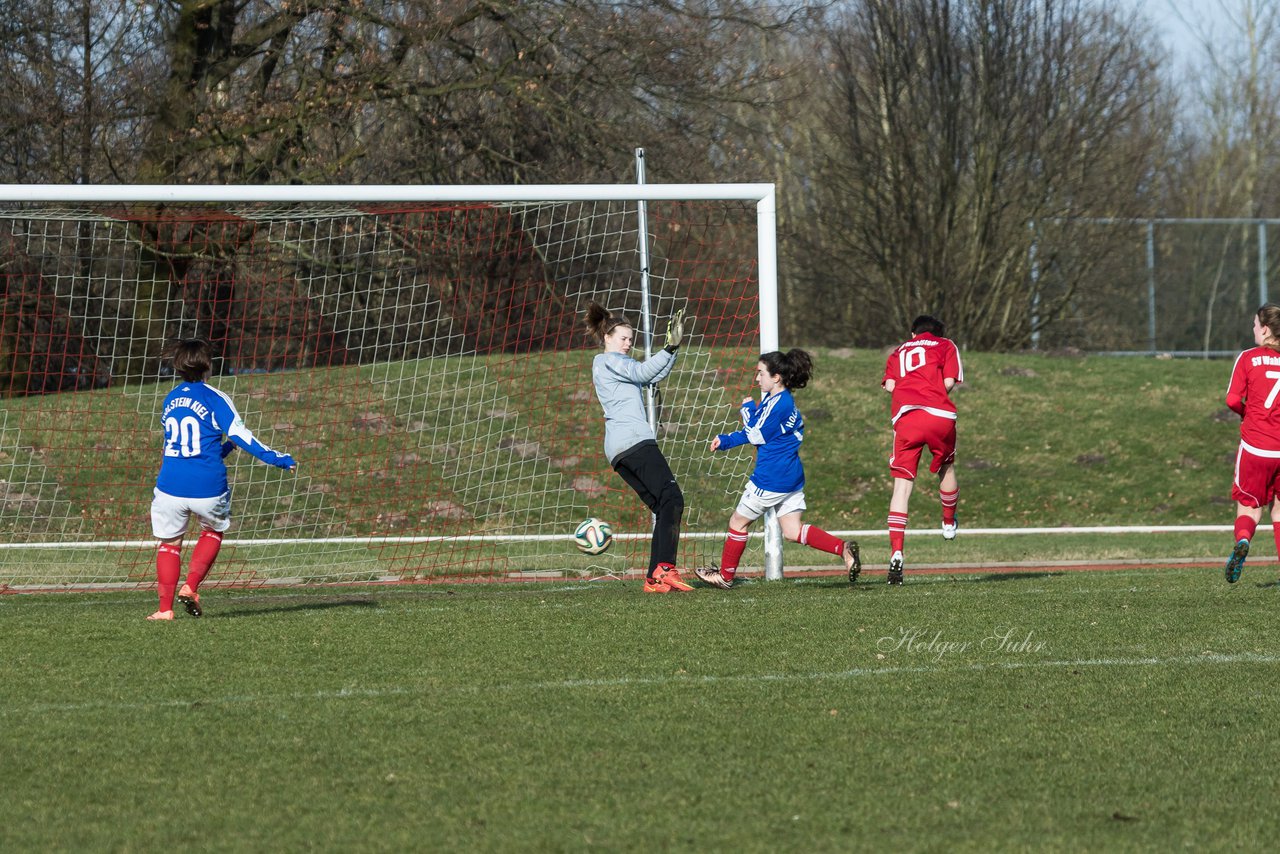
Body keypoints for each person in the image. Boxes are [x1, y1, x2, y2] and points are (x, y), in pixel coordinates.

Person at [147, 339, 297, 620]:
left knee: (169, 545)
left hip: (170, 484)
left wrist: (223, 449)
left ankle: (164, 610)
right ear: (208, 366)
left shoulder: (170, 399)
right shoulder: (216, 397)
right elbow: (241, 436)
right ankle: (190, 587)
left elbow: (186, 443)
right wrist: (279, 459)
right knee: (212, 532)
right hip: (207, 486)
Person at [697, 349, 860, 589]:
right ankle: (843, 549)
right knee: (793, 531)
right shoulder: (776, 401)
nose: (757, 378)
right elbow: (758, 431)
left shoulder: (780, 405)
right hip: (790, 476)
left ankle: (725, 577)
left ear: (776, 377)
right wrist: (726, 440)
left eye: (761, 373)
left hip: (771, 478)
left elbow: (755, 434)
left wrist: (746, 409)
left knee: (737, 522)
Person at [583, 302, 693, 593]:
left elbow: (652, 375)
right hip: (633, 442)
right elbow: (645, 372)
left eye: (631, 339)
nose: (628, 343)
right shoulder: (606, 360)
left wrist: (674, 347)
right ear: (607, 337)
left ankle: (654, 578)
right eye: (623, 338)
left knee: (662, 503)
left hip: (621, 449)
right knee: (673, 499)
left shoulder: (615, 365)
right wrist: (668, 348)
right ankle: (665, 568)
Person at [881, 315, 963, 585]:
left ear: (913, 333)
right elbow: (949, 381)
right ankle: (948, 523)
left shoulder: (898, 352)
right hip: (938, 414)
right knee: (946, 466)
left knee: (902, 486)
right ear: (939, 332)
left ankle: (896, 552)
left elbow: (891, 386)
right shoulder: (945, 344)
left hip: (906, 418)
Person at [1222, 303, 1280, 583]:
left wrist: (1249, 415)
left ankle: (1243, 540)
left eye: (1255, 325)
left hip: (1256, 445)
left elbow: (1232, 400)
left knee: (1248, 505)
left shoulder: (1247, 357)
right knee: (1279, 509)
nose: (1253, 329)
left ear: (1265, 329)